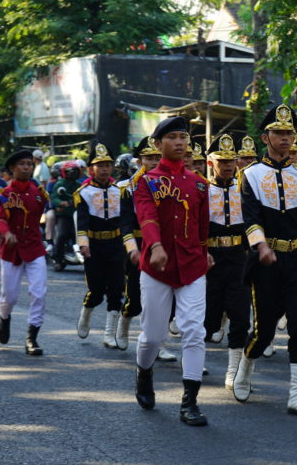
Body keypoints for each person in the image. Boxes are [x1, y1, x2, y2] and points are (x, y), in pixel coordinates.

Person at [232, 104, 297, 418]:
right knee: (264, 332)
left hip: (296, 260)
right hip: (265, 261)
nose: (285, 139)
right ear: (266, 136)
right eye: (279, 133)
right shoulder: (250, 175)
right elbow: (250, 217)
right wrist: (261, 246)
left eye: (289, 133)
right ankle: (244, 369)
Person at [132, 116, 210, 427]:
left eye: (183, 137)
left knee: (193, 330)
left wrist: (207, 253)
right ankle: (144, 371)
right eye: (173, 137)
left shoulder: (201, 184)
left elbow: (204, 226)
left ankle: (189, 402)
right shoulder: (146, 181)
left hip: (192, 265)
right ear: (158, 143)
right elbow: (147, 216)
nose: (180, 142)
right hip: (157, 267)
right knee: (153, 336)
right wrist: (155, 246)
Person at [202, 133, 251, 390]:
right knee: (207, 320)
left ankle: (233, 372)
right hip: (209, 260)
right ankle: (194, 360)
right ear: (211, 163)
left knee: (241, 316)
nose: (229, 166)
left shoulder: (244, 188)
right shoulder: (201, 190)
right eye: (223, 161)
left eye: (232, 161)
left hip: (238, 258)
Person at [0, 149, 50, 355]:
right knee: (10, 296)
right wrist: (6, 233)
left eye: (29, 164)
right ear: (12, 168)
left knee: (39, 293)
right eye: (22, 164)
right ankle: (4, 318)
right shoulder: (2, 194)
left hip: (34, 248)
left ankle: (31, 338)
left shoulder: (40, 194)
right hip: (11, 250)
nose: (26, 167)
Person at [73, 144, 125, 349]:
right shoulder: (83, 193)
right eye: (100, 165)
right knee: (96, 290)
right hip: (93, 245)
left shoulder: (120, 191)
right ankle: (86, 311)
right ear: (91, 169)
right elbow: (82, 221)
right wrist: (83, 244)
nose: (104, 169)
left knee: (117, 289)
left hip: (115, 244)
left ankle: (109, 333)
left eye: (108, 165)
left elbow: (125, 220)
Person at [117, 138, 161, 350]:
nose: (153, 161)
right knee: (135, 298)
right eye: (149, 158)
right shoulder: (128, 188)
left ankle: (157, 342)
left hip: (163, 244)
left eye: (157, 157)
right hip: (139, 244)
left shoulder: (171, 183)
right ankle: (125, 321)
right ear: (139, 160)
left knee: (162, 299)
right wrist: (131, 248)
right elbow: (124, 223)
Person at [50, 161, 81, 271]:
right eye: (70, 171)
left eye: (75, 171)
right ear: (64, 172)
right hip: (64, 215)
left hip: (77, 215)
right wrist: (61, 203)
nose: (73, 173)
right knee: (62, 235)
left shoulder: (78, 185)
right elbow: (54, 197)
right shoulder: (60, 184)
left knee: (79, 235)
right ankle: (58, 260)